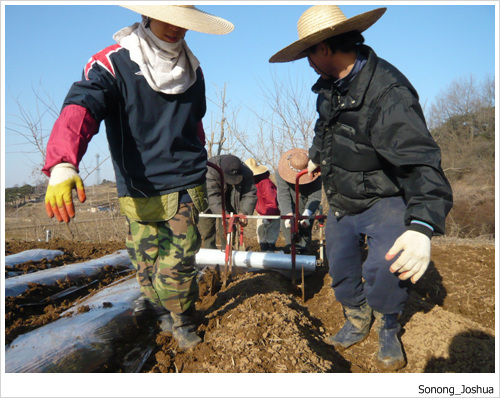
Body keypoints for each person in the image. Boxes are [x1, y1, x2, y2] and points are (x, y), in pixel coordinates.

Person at [269, 5, 453, 371]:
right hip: (341, 194)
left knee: (387, 268)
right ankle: (356, 316)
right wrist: (317, 156)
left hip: (385, 195)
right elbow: (325, 128)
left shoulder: (389, 93)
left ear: (323, 48)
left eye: (308, 53)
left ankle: (387, 323)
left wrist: (422, 225)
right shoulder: (328, 87)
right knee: (341, 265)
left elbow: (420, 160)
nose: (307, 62)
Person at [42, 5, 234, 350]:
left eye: (184, 22)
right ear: (148, 14)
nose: (176, 28)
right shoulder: (113, 63)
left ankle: (183, 319)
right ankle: (160, 310)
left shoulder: (192, 69)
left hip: (184, 183)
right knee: (145, 260)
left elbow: (195, 123)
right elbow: (82, 104)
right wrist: (62, 162)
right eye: (168, 17)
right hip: (138, 186)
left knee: (177, 262)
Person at [198, 154, 257, 249]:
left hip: (230, 198)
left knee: (228, 230)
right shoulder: (210, 170)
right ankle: (210, 259)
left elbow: (250, 193)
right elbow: (212, 197)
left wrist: (244, 212)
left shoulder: (246, 172)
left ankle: (228, 252)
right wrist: (223, 214)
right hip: (207, 198)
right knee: (207, 231)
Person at [276, 148, 322, 255]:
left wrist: (307, 214)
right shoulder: (280, 172)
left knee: (305, 234)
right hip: (289, 205)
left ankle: (304, 260)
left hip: (307, 205)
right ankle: (290, 257)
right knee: (289, 234)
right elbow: (283, 194)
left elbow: (315, 197)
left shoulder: (316, 174)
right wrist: (288, 215)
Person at [244, 158, 280, 252]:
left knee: (271, 233)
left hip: (272, 212)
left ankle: (270, 251)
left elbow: (272, 201)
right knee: (260, 232)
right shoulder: (254, 183)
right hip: (262, 212)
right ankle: (263, 250)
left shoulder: (265, 183)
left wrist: (269, 217)